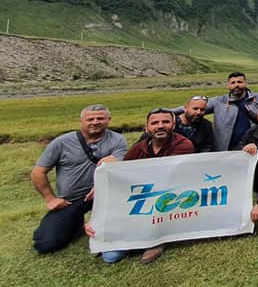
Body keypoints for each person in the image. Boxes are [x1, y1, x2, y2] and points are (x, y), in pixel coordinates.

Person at [85, 109, 195, 264]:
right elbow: (123, 173)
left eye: (165, 122)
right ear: (147, 128)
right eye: (155, 123)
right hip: (143, 199)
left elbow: (164, 175)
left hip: (170, 199)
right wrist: (104, 182)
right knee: (110, 257)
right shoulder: (140, 147)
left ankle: (158, 240)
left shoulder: (184, 145)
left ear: (174, 124)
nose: (160, 126)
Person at [31, 104, 127, 255]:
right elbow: (38, 172)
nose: (95, 122)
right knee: (46, 244)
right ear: (81, 121)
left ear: (109, 120)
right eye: (90, 119)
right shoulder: (61, 142)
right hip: (71, 199)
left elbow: (120, 164)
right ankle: (75, 225)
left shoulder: (118, 140)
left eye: (100, 118)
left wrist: (113, 163)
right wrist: (50, 199)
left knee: (122, 229)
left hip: (106, 196)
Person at [202, 72, 258, 152]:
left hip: (255, 149)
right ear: (228, 85)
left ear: (245, 83)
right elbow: (196, 108)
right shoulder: (219, 101)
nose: (236, 85)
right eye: (233, 83)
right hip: (226, 152)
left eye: (239, 82)